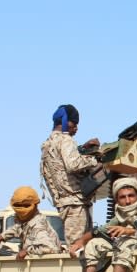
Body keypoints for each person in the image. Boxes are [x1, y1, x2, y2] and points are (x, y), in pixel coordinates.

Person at [59, 177, 137, 272]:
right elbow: (99, 231)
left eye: (131, 196)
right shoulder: (121, 214)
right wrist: (81, 241)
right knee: (93, 245)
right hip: (122, 243)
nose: (128, 201)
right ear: (117, 200)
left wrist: (129, 231)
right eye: (123, 197)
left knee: (124, 242)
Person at [40, 104, 101, 246]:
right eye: (74, 123)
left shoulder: (47, 144)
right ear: (65, 121)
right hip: (75, 204)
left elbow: (60, 162)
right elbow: (72, 164)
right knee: (78, 248)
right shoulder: (66, 140)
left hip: (65, 203)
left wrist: (81, 149)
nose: (76, 128)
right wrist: (95, 160)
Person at [0, 186, 62, 259]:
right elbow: (15, 229)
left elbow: (51, 248)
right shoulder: (25, 221)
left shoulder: (37, 224)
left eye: (26, 205)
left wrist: (27, 251)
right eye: (18, 205)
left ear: (35, 205)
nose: (21, 209)